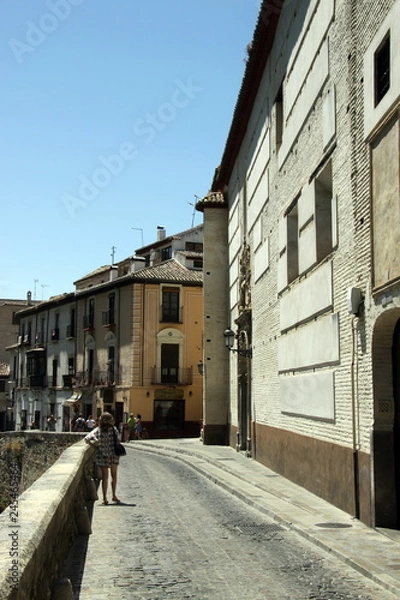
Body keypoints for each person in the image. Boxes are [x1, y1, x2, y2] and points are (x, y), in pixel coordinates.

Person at [84, 412, 122, 505]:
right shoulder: (114, 429)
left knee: (105, 477)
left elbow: (87, 439)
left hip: (102, 456)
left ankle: (104, 498)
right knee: (114, 476)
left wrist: (95, 446)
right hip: (113, 455)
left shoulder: (98, 430)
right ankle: (114, 495)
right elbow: (118, 440)